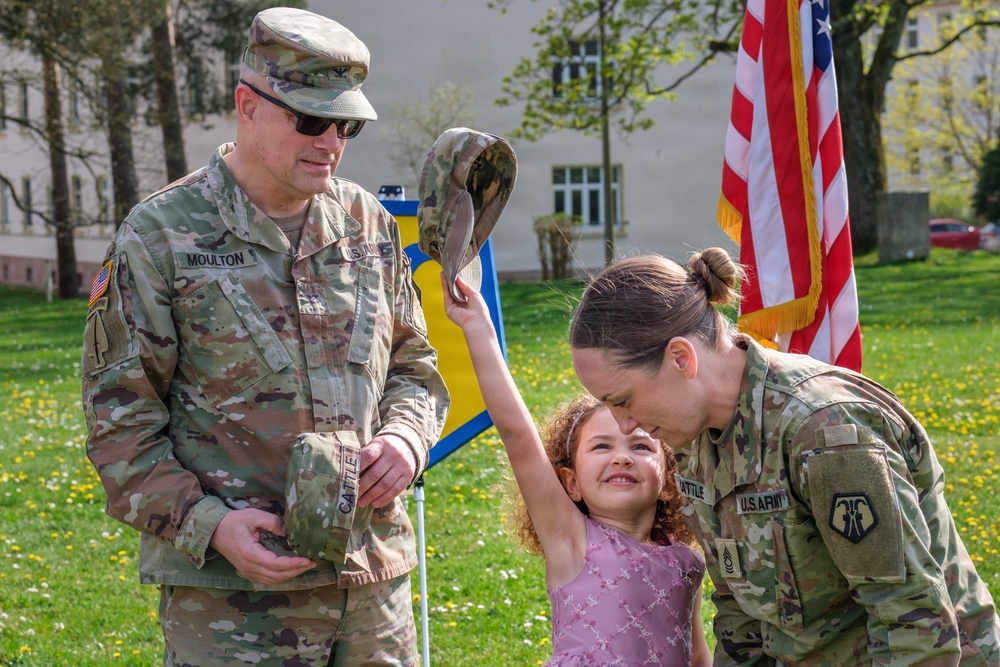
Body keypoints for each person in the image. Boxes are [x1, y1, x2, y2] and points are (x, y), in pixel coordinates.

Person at [81, 7, 448, 666]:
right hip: (233, 600)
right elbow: (119, 421)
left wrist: (406, 439)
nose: (330, 142)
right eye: (309, 120)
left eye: (346, 125)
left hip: (372, 582)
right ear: (246, 105)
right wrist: (211, 525)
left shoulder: (369, 224)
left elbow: (414, 368)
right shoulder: (162, 235)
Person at [568, 248, 1000, 666]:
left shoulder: (824, 431)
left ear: (681, 358)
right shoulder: (697, 439)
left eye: (623, 400)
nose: (626, 425)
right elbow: (742, 616)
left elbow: (912, 622)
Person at [442, 275, 712, 667]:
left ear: (670, 483)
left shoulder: (687, 562)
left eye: (640, 446)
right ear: (571, 483)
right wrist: (477, 327)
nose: (621, 457)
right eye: (601, 446)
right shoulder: (571, 540)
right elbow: (517, 436)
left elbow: (697, 654)